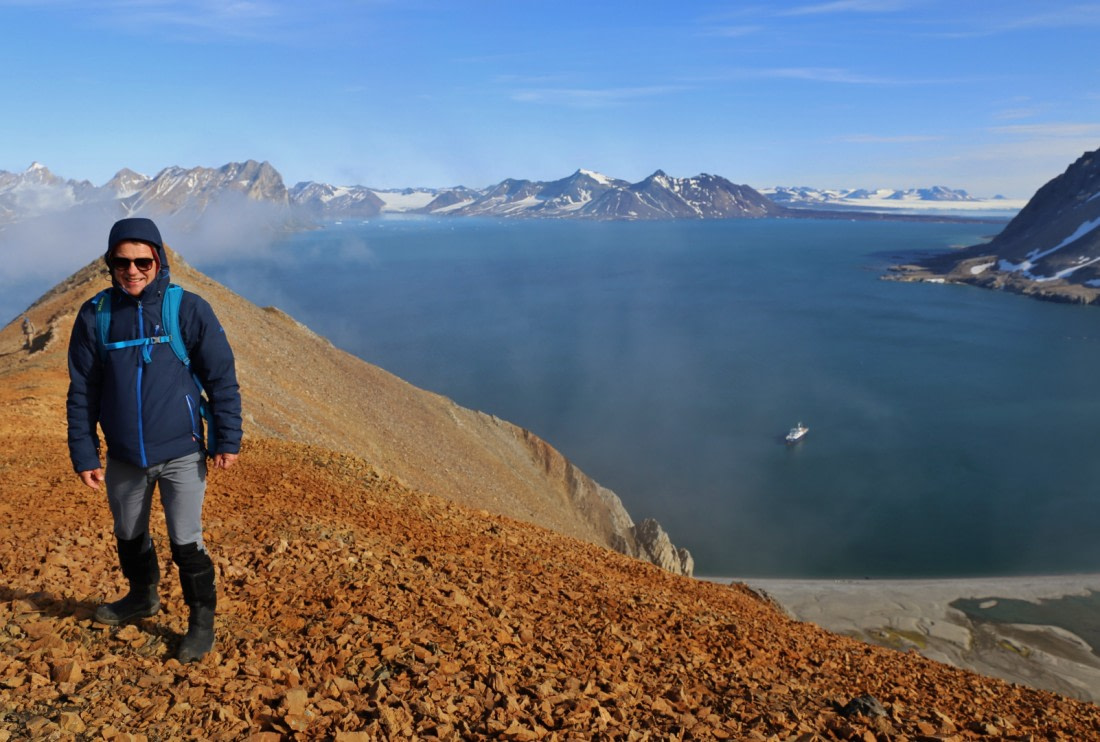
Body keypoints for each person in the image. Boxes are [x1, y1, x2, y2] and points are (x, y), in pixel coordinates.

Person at [66, 217, 242, 663]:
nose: (132, 270)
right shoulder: (95, 315)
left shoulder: (187, 309)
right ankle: (142, 597)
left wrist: (227, 437)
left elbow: (221, 377)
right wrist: (84, 451)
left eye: (143, 261)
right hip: (125, 456)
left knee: (187, 541)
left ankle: (201, 623)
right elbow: (82, 390)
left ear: (158, 260)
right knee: (129, 532)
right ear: (109, 263)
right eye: (121, 262)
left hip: (182, 451)